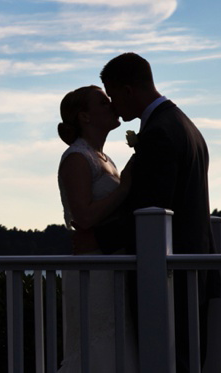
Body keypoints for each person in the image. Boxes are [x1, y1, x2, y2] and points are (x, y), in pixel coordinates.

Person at [97, 52, 216, 373]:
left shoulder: (159, 132)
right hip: (192, 267)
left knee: (167, 359)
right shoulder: (183, 124)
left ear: (128, 91)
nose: (113, 106)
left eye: (112, 96)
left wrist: (96, 240)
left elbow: (150, 209)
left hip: (168, 275)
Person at [57, 85, 138, 373]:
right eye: (104, 103)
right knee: (97, 345)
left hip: (113, 263)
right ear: (85, 117)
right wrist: (125, 187)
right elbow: (83, 216)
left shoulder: (104, 158)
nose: (112, 105)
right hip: (94, 268)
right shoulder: (77, 158)